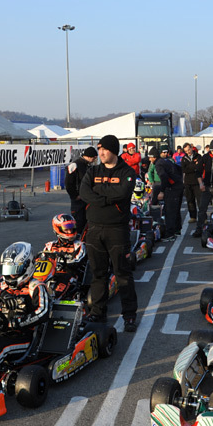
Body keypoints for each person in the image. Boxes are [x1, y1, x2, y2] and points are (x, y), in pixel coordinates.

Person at [79, 134, 139, 331]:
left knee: (122, 274)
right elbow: (84, 192)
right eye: (99, 149)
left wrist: (99, 196)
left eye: (104, 149)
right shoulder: (93, 170)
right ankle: (98, 313)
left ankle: (129, 315)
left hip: (117, 230)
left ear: (114, 150)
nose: (101, 153)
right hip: (94, 229)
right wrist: (105, 200)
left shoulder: (127, 172)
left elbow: (123, 193)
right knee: (98, 274)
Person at [0, 241, 50, 373]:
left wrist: (16, 323)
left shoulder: (37, 287)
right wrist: (0, 294)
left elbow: (43, 312)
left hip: (23, 336)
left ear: (27, 267)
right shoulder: (2, 285)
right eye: (7, 271)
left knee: (0, 346)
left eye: (14, 271)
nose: (9, 276)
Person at [149, 146, 184, 239]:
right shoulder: (166, 161)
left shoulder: (158, 164)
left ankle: (170, 233)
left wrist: (162, 191)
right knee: (176, 209)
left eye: (150, 157)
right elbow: (179, 168)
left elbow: (163, 177)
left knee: (169, 210)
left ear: (154, 157)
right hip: (179, 185)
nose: (149, 159)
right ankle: (177, 230)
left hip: (173, 187)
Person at [65, 146, 98, 234]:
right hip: (78, 200)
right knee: (78, 222)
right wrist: (75, 196)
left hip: (86, 199)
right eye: (94, 158)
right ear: (91, 157)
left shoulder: (87, 165)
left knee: (86, 222)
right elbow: (68, 183)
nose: (95, 160)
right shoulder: (75, 165)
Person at [180, 142, 202, 224]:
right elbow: (184, 170)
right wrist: (193, 165)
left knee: (200, 200)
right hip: (188, 182)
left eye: (189, 149)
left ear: (192, 148)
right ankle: (193, 217)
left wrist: (191, 166)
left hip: (197, 181)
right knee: (190, 200)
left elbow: (199, 167)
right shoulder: (184, 159)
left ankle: (203, 217)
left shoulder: (198, 156)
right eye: (186, 151)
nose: (188, 152)